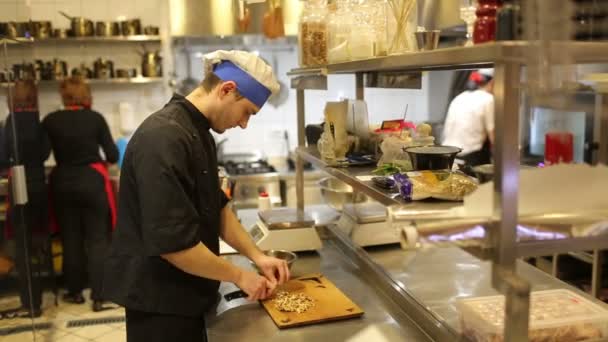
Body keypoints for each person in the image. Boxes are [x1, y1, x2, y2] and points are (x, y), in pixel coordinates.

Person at [103, 50, 288, 342]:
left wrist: (257, 256)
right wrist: (240, 276)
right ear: (227, 89)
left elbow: (216, 207)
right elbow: (174, 244)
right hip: (160, 305)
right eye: (248, 112)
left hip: (188, 295)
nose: (244, 124)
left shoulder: (197, 131)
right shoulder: (163, 137)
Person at [42, 77, 119, 312]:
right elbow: (113, 154)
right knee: (98, 240)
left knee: (70, 239)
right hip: (91, 183)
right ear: (86, 96)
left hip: (62, 183)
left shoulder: (50, 120)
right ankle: (100, 296)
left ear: (63, 96)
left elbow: (43, 154)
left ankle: (74, 292)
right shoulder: (95, 118)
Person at [0, 80, 50, 319]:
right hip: (39, 185)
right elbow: (45, 153)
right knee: (37, 242)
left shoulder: (11, 121)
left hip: (20, 186)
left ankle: (30, 302)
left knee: (22, 245)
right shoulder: (37, 121)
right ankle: (39, 295)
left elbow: (2, 156)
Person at [442, 68, 495, 166]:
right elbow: (494, 136)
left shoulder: (459, 97)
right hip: (471, 159)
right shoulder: (489, 99)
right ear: (493, 82)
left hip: (448, 157)